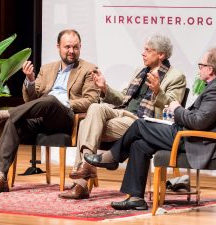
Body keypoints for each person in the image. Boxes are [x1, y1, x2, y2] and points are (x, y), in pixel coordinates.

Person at [84, 47, 216, 210]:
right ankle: (136, 198)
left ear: (210, 69)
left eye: (201, 65)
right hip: (188, 135)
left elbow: (199, 122)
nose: (199, 68)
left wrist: (177, 109)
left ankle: (112, 158)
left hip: (192, 139)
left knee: (140, 125)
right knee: (139, 145)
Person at [0, 29, 100, 193]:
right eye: (67, 47)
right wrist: (30, 81)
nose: (72, 51)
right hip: (42, 117)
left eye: (76, 47)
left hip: (66, 118)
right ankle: (0, 178)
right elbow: (31, 101)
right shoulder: (48, 69)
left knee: (51, 100)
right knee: (14, 121)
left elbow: (91, 101)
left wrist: (64, 103)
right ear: (58, 47)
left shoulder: (88, 69)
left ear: (80, 47)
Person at [58, 34, 187, 199]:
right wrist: (104, 88)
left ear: (161, 54)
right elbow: (123, 98)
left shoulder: (176, 76)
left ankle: (82, 182)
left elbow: (173, 106)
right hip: (122, 113)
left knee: (85, 125)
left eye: (148, 50)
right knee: (96, 107)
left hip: (141, 123)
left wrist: (158, 92)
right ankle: (88, 165)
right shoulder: (140, 71)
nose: (143, 53)